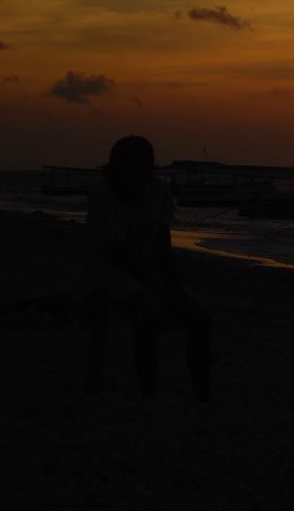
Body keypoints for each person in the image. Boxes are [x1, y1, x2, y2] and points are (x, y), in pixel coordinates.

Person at [83, 136, 212, 401]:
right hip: (114, 276)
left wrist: (174, 288)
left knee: (199, 319)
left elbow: (163, 246)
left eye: (143, 166)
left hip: (152, 275)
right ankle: (148, 392)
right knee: (148, 316)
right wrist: (161, 291)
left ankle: (202, 393)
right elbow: (117, 254)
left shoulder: (159, 192)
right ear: (117, 167)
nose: (138, 173)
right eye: (131, 166)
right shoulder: (101, 197)